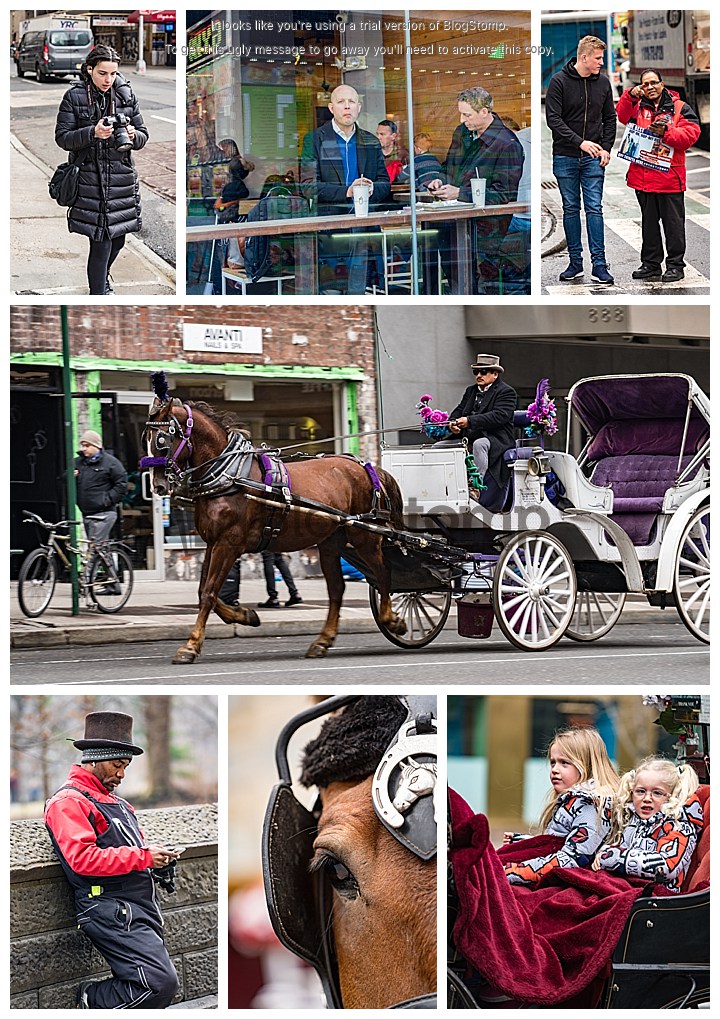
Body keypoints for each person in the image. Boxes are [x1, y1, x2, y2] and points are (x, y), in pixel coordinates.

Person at [44, 711, 180, 1007]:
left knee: (159, 983)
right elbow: (82, 859)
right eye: (118, 765)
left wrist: (157, 863)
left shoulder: (120, 804)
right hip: (108, 908)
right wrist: (143, 857)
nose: (121, 774)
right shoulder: (69, 802)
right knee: (158, 985)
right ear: (93, 759)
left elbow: (131, 854)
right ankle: (91, 999)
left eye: (126, 766)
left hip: (139, 908)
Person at [55, 45, 149, 295]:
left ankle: (101, 275)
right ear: (89, 69)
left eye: (113, 73)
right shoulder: (74, 97)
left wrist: (133, 134)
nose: (108, 80)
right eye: (102, 73)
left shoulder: (126, 95)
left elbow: (143, 135)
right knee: (101, 242)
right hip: (90, 179)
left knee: (119, 238)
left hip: (121, 178)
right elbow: (62, 138)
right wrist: (92, 133)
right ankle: (99, 293)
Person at [426, 87, 524, 294]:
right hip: (454, 225)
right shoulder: (462, 133)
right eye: (461, 113)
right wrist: (439, 180)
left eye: (467, 114)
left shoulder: (508, 144)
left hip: (486, 233)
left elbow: (504, 195)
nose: (462, 119)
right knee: (455, 280)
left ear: (484, 112)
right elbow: (449, 168)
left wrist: (459, 193)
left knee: (480, 286)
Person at [300, 84, 391, 294]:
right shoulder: (314, 139)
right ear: (331, 108)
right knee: (331, 290)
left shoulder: (370, 140)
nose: (347, 107)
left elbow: (385, 183)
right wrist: (347, 192)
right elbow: (308, 186)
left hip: (363, 226)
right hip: (329, 227)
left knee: (358, 288)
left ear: (359, 107)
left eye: (352, 102)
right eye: (341, 102)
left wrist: (371, 188)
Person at [503, 727, 620, 886]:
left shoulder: (591, 804)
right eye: (553, 762)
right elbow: (562, 842)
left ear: (588, 765)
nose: (554, 770)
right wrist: (524, 843)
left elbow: (572, 858)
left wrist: (512, 872)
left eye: (564, 763)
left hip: (573, 883)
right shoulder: (573, 800)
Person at [616, 70, 701, 283]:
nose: (650, 86)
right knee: (649, 225)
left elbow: (691, 134)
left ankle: (675, 266)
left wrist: (666, 133)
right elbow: (621, 114)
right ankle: (651, 264)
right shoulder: (637, 107)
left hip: (669, 178)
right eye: (646, 84)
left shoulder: (679, 107)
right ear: (641, 87)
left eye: (654, 82)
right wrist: (630, 94)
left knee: (673, 226)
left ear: (662, 84)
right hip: (642, 179)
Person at [545, 35, 617, 285]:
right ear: (584, 57)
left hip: (594, 158)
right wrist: (580, 142)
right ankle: (575, 263)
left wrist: (606, 147)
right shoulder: (559, 82)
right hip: (566, 155)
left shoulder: (604, 83)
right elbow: (553, 120)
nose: (601, 62)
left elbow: (610, 118)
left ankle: (599, 265)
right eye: (597, 58)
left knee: (594, 208)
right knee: (571, 209)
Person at [593, 757, 703, 893]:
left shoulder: (679, 826)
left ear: (672, 796)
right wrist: (603, 853)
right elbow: (616, 848)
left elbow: (667, 867)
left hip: (656, 896)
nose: (646, 799)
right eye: (640, 791)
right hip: (621, 885)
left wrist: (612, 858)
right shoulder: (629, 817)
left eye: (657, 793)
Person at [435, 354, 517, 498]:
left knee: (480, 444)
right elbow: (459, 409)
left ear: (495, 374)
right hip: (468, 437)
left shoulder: (507, 392)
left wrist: (469, 421)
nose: (479, 375)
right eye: (476, 372)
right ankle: (441, 485)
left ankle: (475, 486)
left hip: (495, 439)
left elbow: (499, 416)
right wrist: (452, 423)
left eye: (483, 372)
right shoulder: (471, 391)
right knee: (437, 447)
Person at [74, 430, 128, 545]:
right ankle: (109, 563)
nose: (83, 449)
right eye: (82, 445)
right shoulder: (78, 463)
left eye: (87, 445)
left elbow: (122, 485)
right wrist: (70, 475)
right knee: (100, 549)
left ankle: (99, 562)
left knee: (94, 548)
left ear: (97, 446)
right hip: (87, 512)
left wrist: (106, 500)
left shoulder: (111, 463)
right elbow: (63, 479)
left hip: (104, 514)